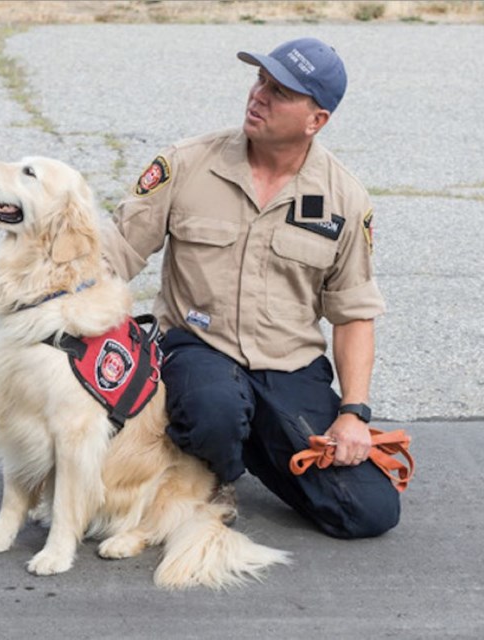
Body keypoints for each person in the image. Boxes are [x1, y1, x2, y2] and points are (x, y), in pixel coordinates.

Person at [101, 37, 400, 539]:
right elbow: (115, 254)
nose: (258, 95)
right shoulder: (187, 164)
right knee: (213, 407)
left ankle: (251, 444)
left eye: (280, 91)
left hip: (288, 368)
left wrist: (353, 414)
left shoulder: (344, 198)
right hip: (197, 349)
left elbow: (352, 314)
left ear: (316, 120)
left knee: (368, 512)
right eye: (261, 80)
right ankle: (213, 474)